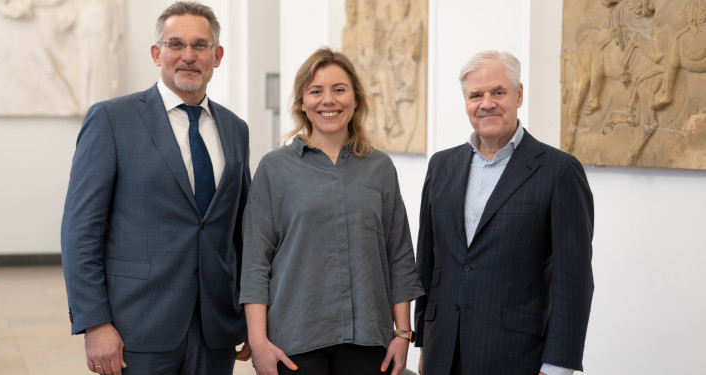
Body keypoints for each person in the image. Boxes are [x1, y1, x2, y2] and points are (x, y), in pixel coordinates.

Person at [60, 2, 251, 374]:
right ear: (156, 53)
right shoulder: (112, 120)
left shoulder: (235, 129)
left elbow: (241, 231)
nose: (188, 56)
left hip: (215, 328)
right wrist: (95, 323)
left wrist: (249, 315)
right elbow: (80, 231)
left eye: (200, 45)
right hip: (138, 326)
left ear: (218, 55)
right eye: (175, 44)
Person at [239, 48, 424, 375]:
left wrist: (402, 333)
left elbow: (398, 257)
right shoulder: (274, 168)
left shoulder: (380, 168)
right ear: (301, 103)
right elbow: (255, 261)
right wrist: (258, 341)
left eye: (339, 89)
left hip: (369, 342)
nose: (329, 100)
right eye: (316, 91)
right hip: (293, 341)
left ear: (355, 100)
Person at [414, 50, 594, 375]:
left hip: (516, 357)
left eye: (498, 92)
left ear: (519, 94)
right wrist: (425, 345)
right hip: (443, 353)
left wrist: (557, 366)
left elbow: (573, 280)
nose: (487, 103)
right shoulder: (441, 166)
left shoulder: (559, 171)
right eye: (476, 95)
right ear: (466, 101)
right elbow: (429, 263)